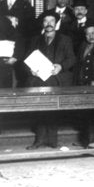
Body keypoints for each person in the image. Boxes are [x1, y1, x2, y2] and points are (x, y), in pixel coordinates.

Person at [24, 13, 76, 148]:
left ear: (56, 23)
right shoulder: (35, 40)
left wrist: (61, 66)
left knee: (53, 109)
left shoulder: (65, 39)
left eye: (52, 21)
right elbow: (26, 60)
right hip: (38, 80)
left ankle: (53, 140)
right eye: (46, 21)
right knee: (39, 108)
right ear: (42, 24)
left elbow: (72, 59)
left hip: (57, 80)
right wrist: (31, 69)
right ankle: (39, 140)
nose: (49, 24)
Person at [0, 0, 36, 87]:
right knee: (1, 77)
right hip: (1, 47)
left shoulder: (26, 6)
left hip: (20, 46)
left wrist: (17, 21)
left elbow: (31, 27)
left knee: (21, 77)